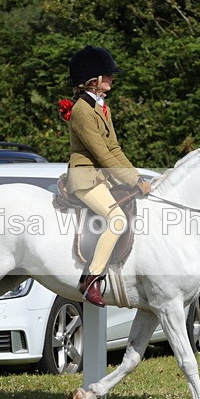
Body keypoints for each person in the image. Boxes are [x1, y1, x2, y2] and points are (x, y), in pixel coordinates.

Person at [60, 46, 151, 307]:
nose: (112, 78)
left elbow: (115, 149)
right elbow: (101, 155)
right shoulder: (82, 110)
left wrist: (137, 177)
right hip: (85, 177)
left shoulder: (101, 107)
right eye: (108, 75)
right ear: (94, 80)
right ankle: (91, 279)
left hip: (101, 177)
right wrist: (133, 181)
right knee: (117, 220)